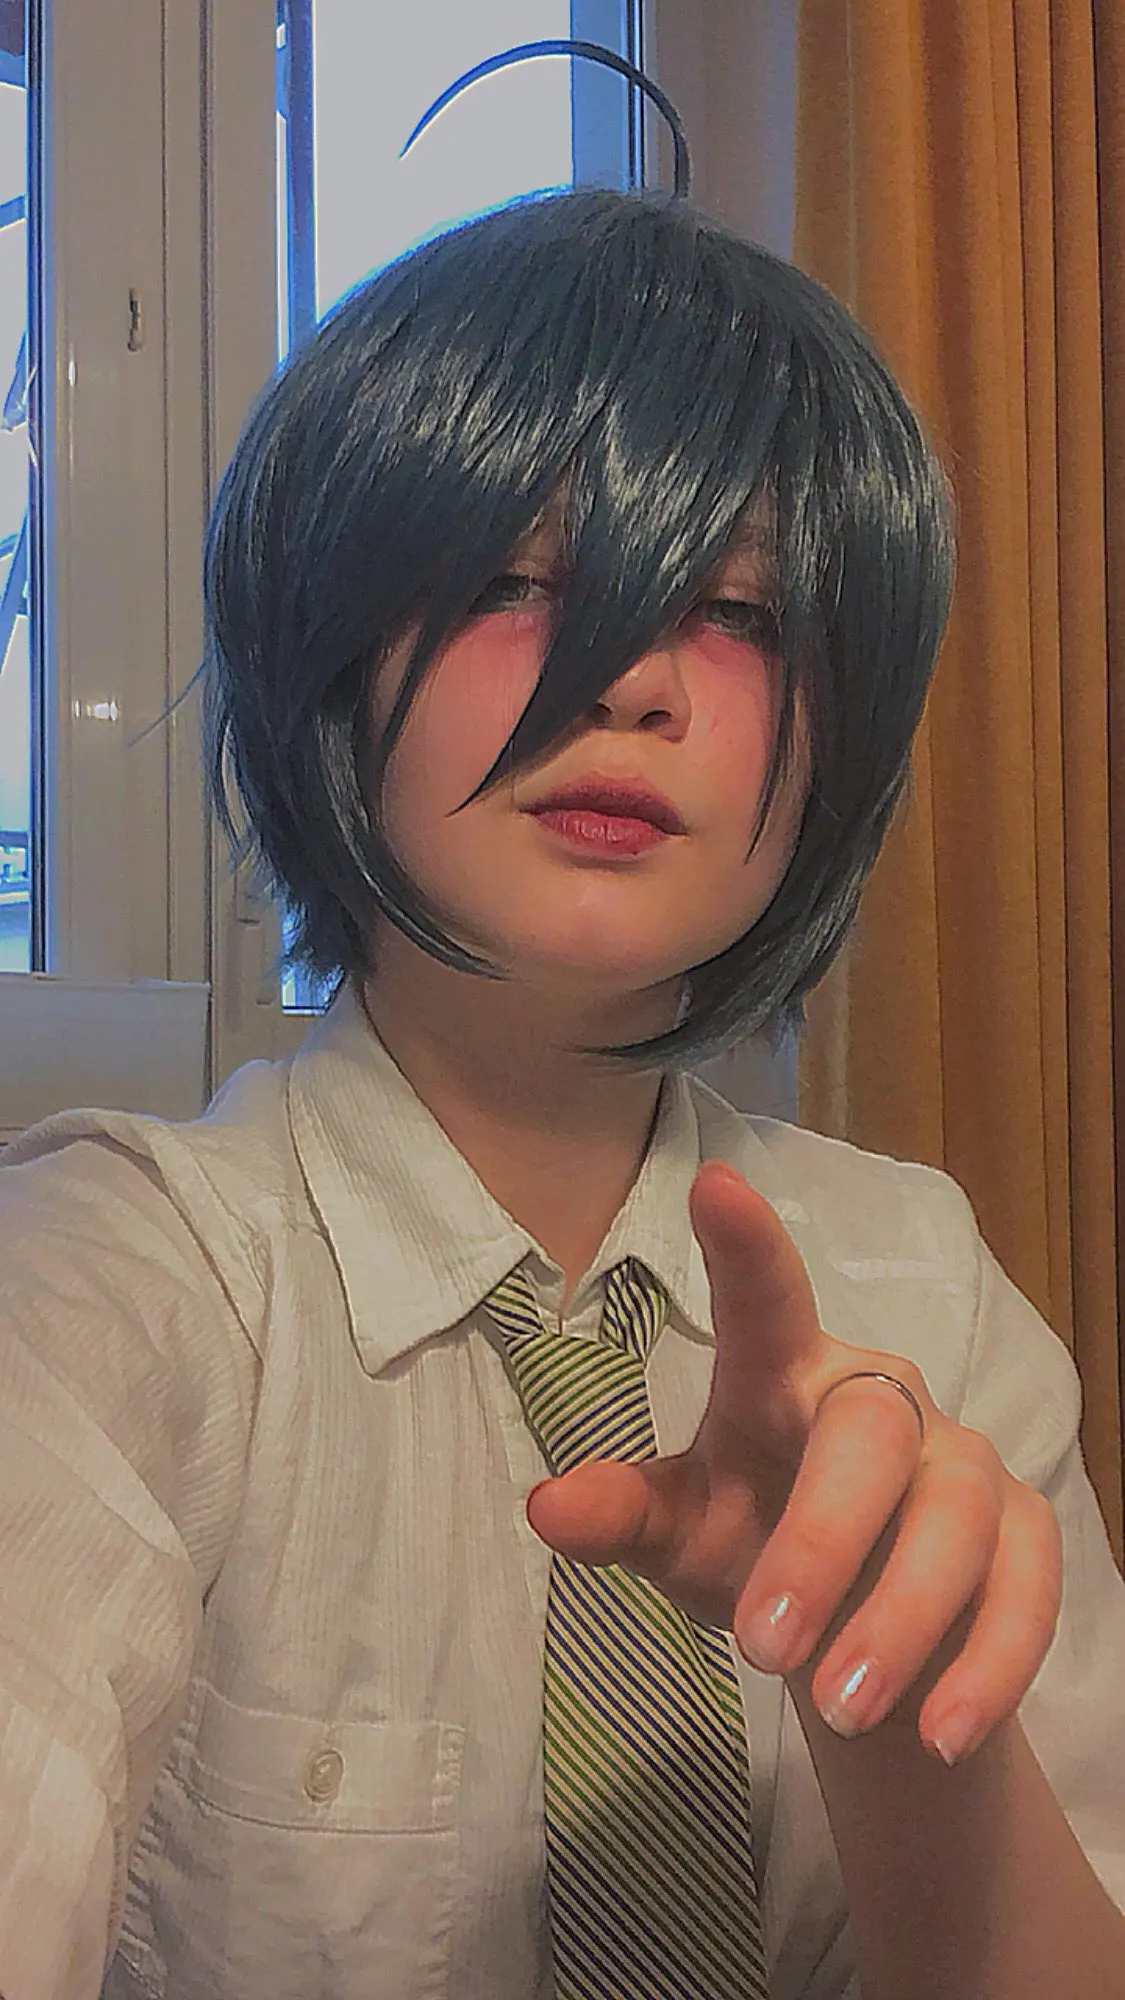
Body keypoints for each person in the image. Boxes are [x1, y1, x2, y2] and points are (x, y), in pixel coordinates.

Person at [1, 178, 1124, 2000]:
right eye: (521, 581)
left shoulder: (928, 1300)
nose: (635, 678)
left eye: (742, 610)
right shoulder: (105, 1289)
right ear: (329, 657)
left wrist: (905, 1704)